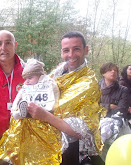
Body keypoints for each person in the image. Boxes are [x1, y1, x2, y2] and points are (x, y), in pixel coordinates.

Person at [27, 31, 105, 165]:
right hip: (49, 147)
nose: (71, 55)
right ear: (61, 52)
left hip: (71, 152)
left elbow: (81, 131)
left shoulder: (87, 83)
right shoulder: (59, 73)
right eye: (66, 50)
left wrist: (44, 116)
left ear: (86, 50)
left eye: (76, 49)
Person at [0, 58, 60, 164]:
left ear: (40, 76)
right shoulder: (24, 88)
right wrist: (15, 112)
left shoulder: (48, 84)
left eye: (30, 78)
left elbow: (55, 96)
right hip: (22, 123)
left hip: (43, 123)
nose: (26, 81)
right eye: (25, 79)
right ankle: (21, 112)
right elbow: (16, 101)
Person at [99, 62, 129, 161]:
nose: (113, 72)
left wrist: (101, 108)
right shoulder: (95, 88)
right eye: (110, 70)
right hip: (97, 123)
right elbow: (91, 107)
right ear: (103, 73)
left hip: (116, 124)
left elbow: (122, 109)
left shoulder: (123, 89)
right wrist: (108, 106)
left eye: (115, 70)